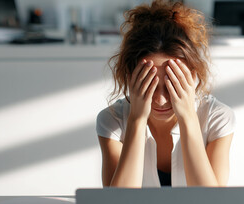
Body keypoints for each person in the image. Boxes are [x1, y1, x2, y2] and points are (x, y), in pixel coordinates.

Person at [96, 0, 235, 188]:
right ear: (131, 78)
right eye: (149, 84)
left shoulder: (217, 118)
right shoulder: (112, 120)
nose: (160, 100)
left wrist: (187, 118)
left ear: (191, 77)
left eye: (172, 84)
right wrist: (137, 120)